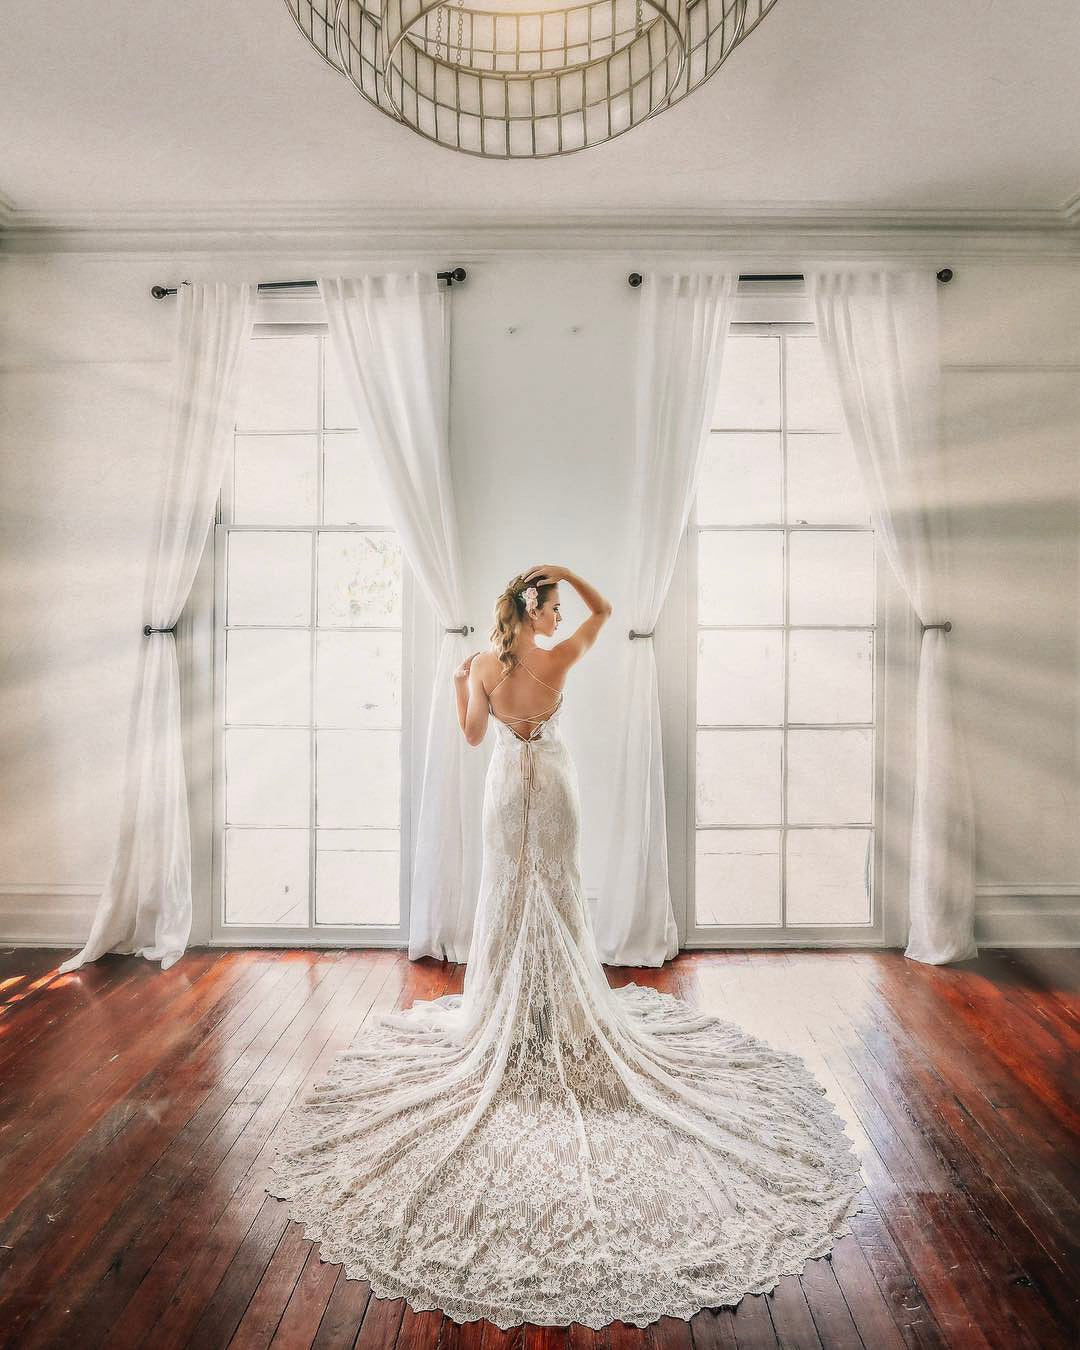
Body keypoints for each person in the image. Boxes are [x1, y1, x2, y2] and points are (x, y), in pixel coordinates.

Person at [267, 564, 867, 1330]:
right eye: (549, 607)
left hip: (504, 792)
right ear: (533, 609)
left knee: (510, 896)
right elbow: (609, 608)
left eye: (552, 607)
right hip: (552, 788)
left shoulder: (485, 665)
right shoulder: (557, 660)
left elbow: (474, 734)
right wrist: (568, 573)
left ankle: (513, 1019)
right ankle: (555, 1014)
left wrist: (461, 682)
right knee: (553, 890)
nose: (555, 618)